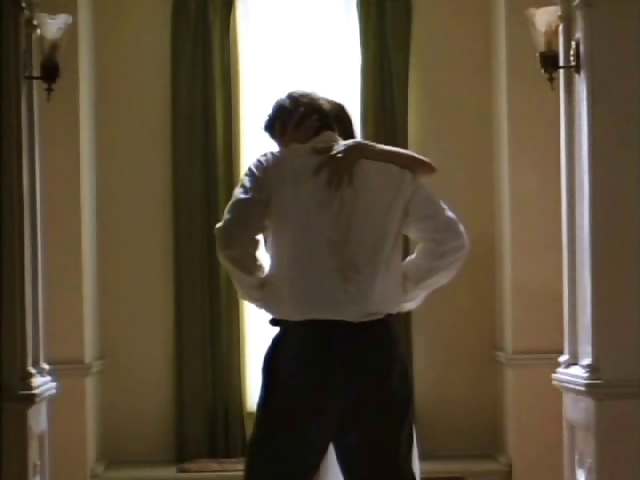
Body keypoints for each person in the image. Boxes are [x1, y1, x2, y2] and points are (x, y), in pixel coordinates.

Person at [215, 91, 469, 480]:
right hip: (373, 347)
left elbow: (232, 238)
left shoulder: (271, 169)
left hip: (302, 348)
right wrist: (397, 289)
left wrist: (261, 291)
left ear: (287, 128)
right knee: (384, 471)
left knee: (278, 472)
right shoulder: (391, 174)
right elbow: (450, 243)